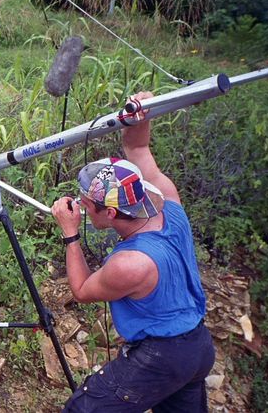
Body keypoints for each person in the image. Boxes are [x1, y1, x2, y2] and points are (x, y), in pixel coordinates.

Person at [51, 91, 215, 412]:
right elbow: (138, 147)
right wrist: (142, 113)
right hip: (197, 348)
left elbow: (82, 290)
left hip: (164, 356)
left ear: (110, 214)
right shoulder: (170, 205)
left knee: (82, 410)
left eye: (86, 205)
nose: (81, 208)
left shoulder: (130, 264)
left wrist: (71, 235)